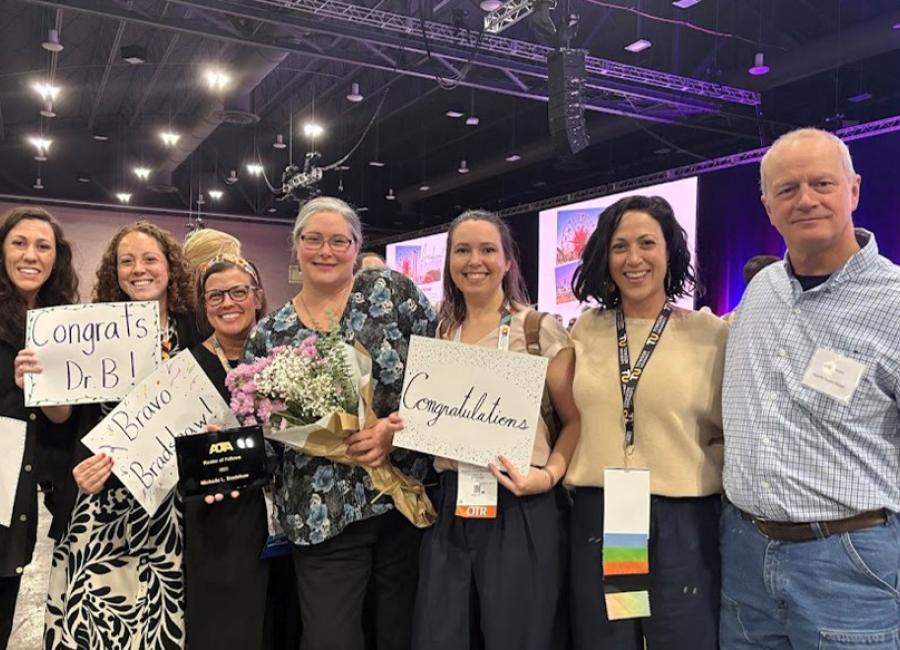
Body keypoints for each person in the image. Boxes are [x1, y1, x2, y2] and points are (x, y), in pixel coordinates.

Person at [720, 127, 900, 648]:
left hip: (849, 561)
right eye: (787, 189)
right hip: (744, 555)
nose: (806, 200)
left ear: (854, 191)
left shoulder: (892, 304)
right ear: (767, 206)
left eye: (822, 183)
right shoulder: (760, 292)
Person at [243, 196, 437, 650]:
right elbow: (262, 432)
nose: (325, 251)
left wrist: (393, 431)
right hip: (320, 515)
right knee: (332, 637)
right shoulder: (270, 335)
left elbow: (440, 374)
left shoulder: (392, 294)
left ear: (357, 246)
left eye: (339, 241)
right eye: (313, 239)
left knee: (400, 633)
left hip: (402, 504)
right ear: (296, 246)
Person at [411, 209, 579, 650]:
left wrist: (548, 475)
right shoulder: (442, 333)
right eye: (462, 250)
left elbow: (574, 421)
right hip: (452, 504)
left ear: (508, 260)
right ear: (449, 261)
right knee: (442, 635)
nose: (475, 260)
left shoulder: (539, 330)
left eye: (488, 249)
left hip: (521, 505)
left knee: (520, 636)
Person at [566, 195, 727, 649]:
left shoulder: (709, 334)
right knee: (610, 637)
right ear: (605, 256)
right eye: (620, 246)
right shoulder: (584, 331)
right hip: (607, 513)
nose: (633, 259)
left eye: (646, 243)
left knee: (682, 638)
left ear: (670, 252)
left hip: (682, 518)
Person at [45, 221, 200, 650]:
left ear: (170, 267)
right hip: (101, 498)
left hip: (173, 508)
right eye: (126, 261)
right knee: (94, 622)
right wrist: (42, 381)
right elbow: (63, 417)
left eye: (150, 259)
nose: (138, 269)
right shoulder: (94, 329)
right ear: (114, 271)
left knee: (163, 621)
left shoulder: (195, 330)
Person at [181, 253, 282, 650]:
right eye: (215, 296)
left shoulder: (282, 357)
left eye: (238, 292)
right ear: (204, 307)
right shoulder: (187, 367)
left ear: (257, 296)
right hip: (217, 519)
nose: (228, 303)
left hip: (279, 513)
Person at [0, 207, 79, 648]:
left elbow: (61, 419)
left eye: (43, 246)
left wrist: (43, 389)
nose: (31, 255)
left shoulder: (60, 322)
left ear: (55, 259)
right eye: (19, 243)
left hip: (18, 499)